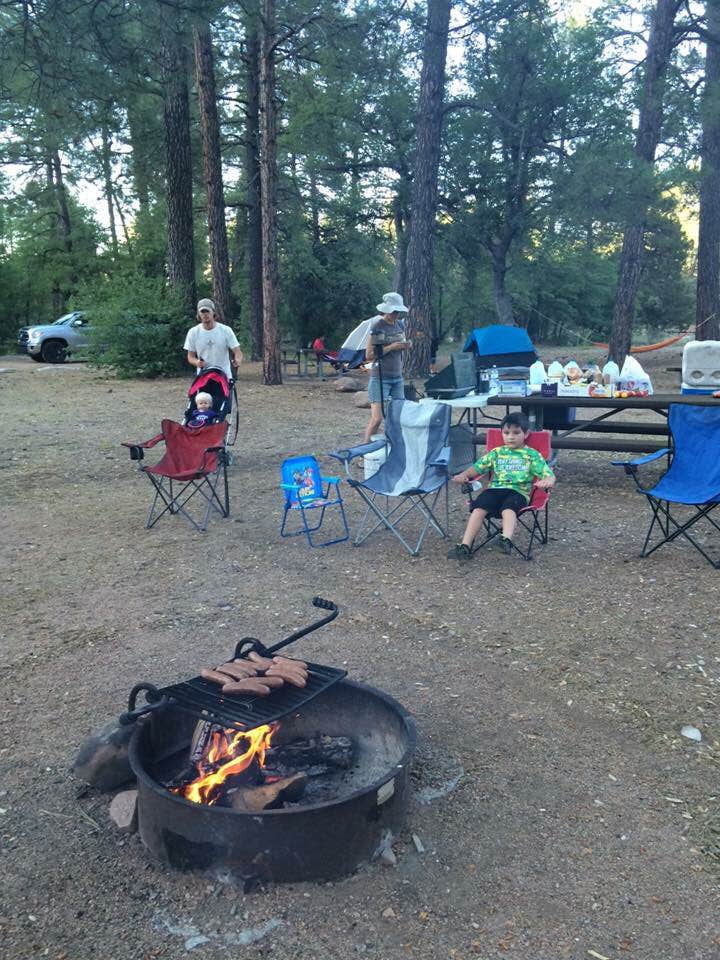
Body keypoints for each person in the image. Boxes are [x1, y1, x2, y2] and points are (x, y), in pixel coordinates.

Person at [446, 412, 555, 561]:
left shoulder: (532, 455)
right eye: (506, 433)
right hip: (494, 490)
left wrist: (548, 480)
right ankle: (465, 546)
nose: (510, 437)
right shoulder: (496, 453)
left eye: (516, 433)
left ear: (526, 434)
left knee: (508, 509)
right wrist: (464, 475)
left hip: (518, 492)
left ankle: (505, 540)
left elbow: (548, 474)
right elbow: (477, 468)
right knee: (478, 509)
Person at [363, 292, 412, 443]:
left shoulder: (400, 325)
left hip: (397, 377)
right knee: (377, 418)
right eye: (393, 311)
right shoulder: (378, 326)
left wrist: (405, 345)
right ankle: (364, 450)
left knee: (398, 417)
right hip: (380, 377)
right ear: (386, 310)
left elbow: (400, 343)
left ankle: (394, 448)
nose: (395, 314)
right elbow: (370, 355)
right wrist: (391, 347)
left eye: (398, 311)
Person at [184, 298, 243, 380]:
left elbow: (237, 351)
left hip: (224, 375)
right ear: (198, 314)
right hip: (203, 376)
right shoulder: (193, 332)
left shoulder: (226, 330)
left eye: (207, 311)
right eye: (202, 312)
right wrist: (197, 362)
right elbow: (190, 357)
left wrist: (238, 360)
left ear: (213, 312)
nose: (205, 314)